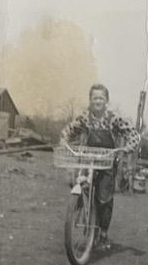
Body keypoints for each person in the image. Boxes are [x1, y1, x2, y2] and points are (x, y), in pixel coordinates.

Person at [60, 84, 141, 250]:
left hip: (107, 162)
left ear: (107, 101)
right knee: (79, 183)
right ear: (90, 100)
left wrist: (128, 147)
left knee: (104, 198)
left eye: (101, 98)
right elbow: (69, 129)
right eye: (95, 98)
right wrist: (63, 140)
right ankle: (79, 210)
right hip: (88, 160)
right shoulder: (84, 118)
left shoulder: (114, 119)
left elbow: (133, 134)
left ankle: (103, 234)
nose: (98, 101)